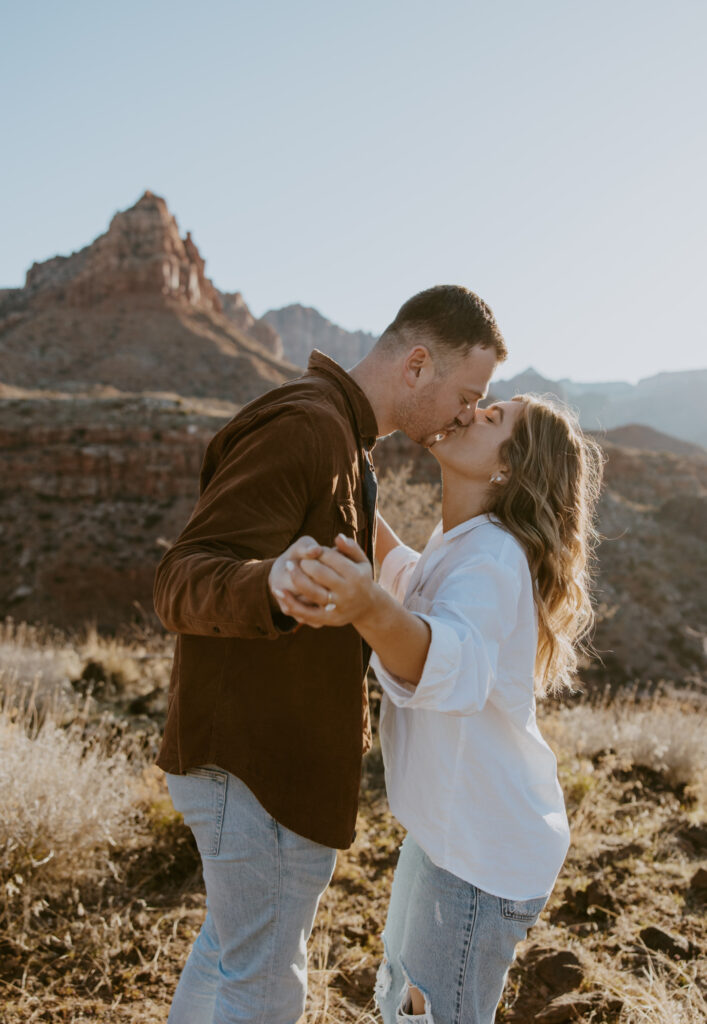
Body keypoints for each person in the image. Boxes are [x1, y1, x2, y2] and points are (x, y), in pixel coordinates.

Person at [152, 285, 508, 1024]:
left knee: (230, 955)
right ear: (417, 363)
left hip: (268, 768)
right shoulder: (308, 428)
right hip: (254, 769)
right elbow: (180, 577)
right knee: (264, 985)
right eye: (467, 392)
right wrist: (268, 584)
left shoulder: (344, 442)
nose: (467, 413)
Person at [277, 393, 603, 1024]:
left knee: (428, 1014)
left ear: (509, 467)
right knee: (401, 995)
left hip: (481, 853)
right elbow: (405, 572)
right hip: (449, 836)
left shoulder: (492, 558)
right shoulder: (462, 541)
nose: (473, 411)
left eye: (494, 418)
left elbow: (445, 660)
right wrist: (344, 467)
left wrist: (366, 607)